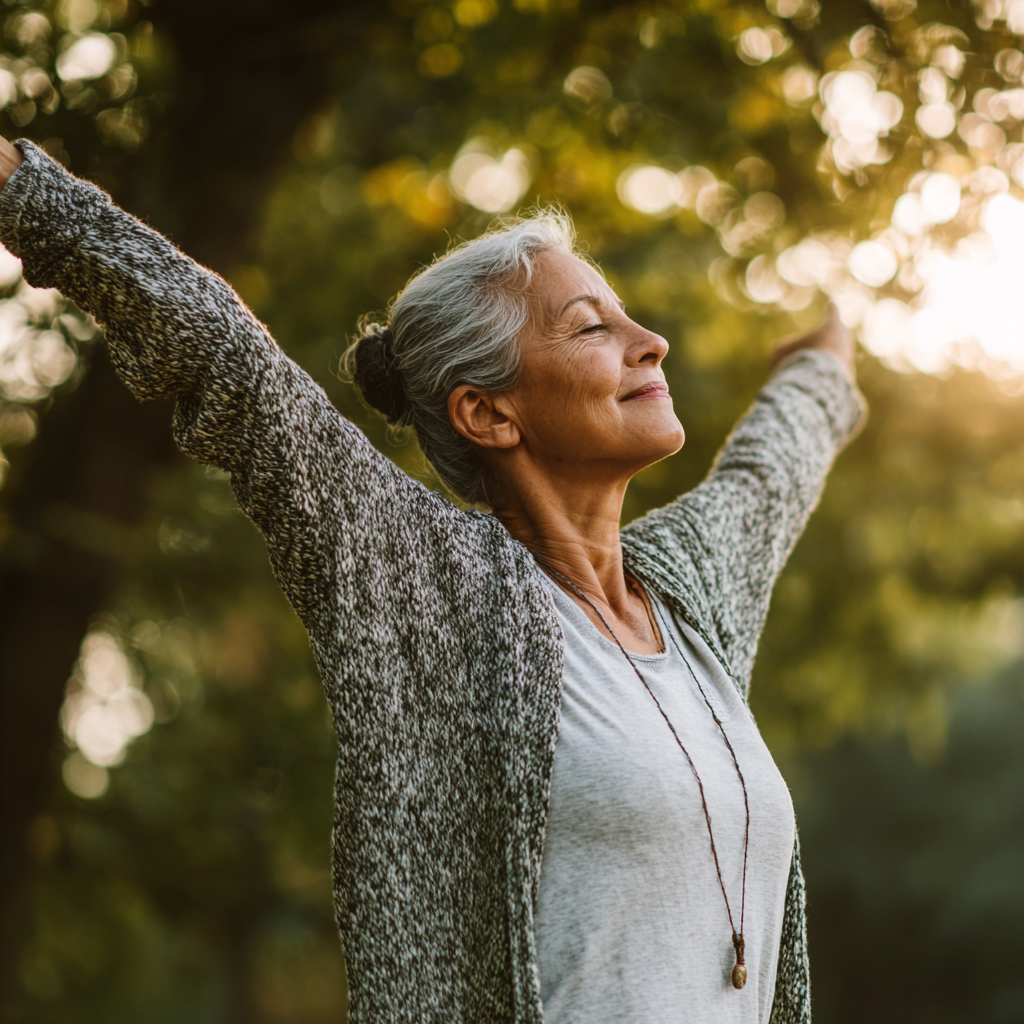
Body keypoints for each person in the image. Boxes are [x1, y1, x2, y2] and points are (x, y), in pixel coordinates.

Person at [0, 134, 863, 1024]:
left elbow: (771, 473)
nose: (652, 343)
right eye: (593, 328)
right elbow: (232, 363)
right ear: (488, 412)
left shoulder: (692, 591)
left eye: (628, 318)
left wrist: (821, 362)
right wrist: (29, 192)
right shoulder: (425, 588)